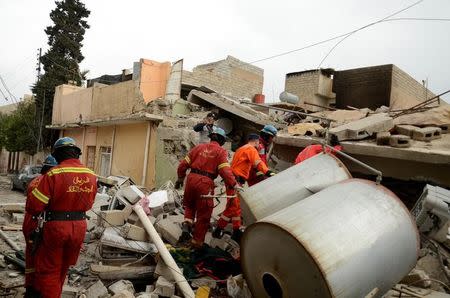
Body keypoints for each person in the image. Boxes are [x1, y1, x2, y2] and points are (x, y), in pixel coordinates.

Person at [26, 137, 97, 298]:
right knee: (63, 269)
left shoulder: (53, 174)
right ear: (75, 154)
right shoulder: (90, 174)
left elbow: (34, 206)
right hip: (79, 227)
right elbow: (90, 203)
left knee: (50, 270)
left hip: (56, 228)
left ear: (58, 154)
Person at [175, 127, 237, 248]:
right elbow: (225, 171)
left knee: (190, 205)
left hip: (191, 180)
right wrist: (234, 184)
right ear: (222, 140)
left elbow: (183, 165)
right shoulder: (220, 152)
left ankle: (186, 226)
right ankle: (196, 245)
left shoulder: (198, 147)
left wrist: (180, 178)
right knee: (204, 215)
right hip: (205, 183)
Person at [213, 133, 274, 241]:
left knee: (234, 206)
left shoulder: (241, 149)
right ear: (256, 141)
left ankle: (235, 230)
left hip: (233, 180)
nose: (258, 145)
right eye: (258, 143)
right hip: (235, 181)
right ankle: (219, 229)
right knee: (233, 206)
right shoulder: (251, 149)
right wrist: (268, 172)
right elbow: (257, 162)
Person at [23, 155, 58, 297]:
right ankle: (35, 289)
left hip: (30, 221)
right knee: (38, 257)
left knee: (31, 256)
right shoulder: (45, 182)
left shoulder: (36, 181)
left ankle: (31, 287)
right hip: (36, 222)